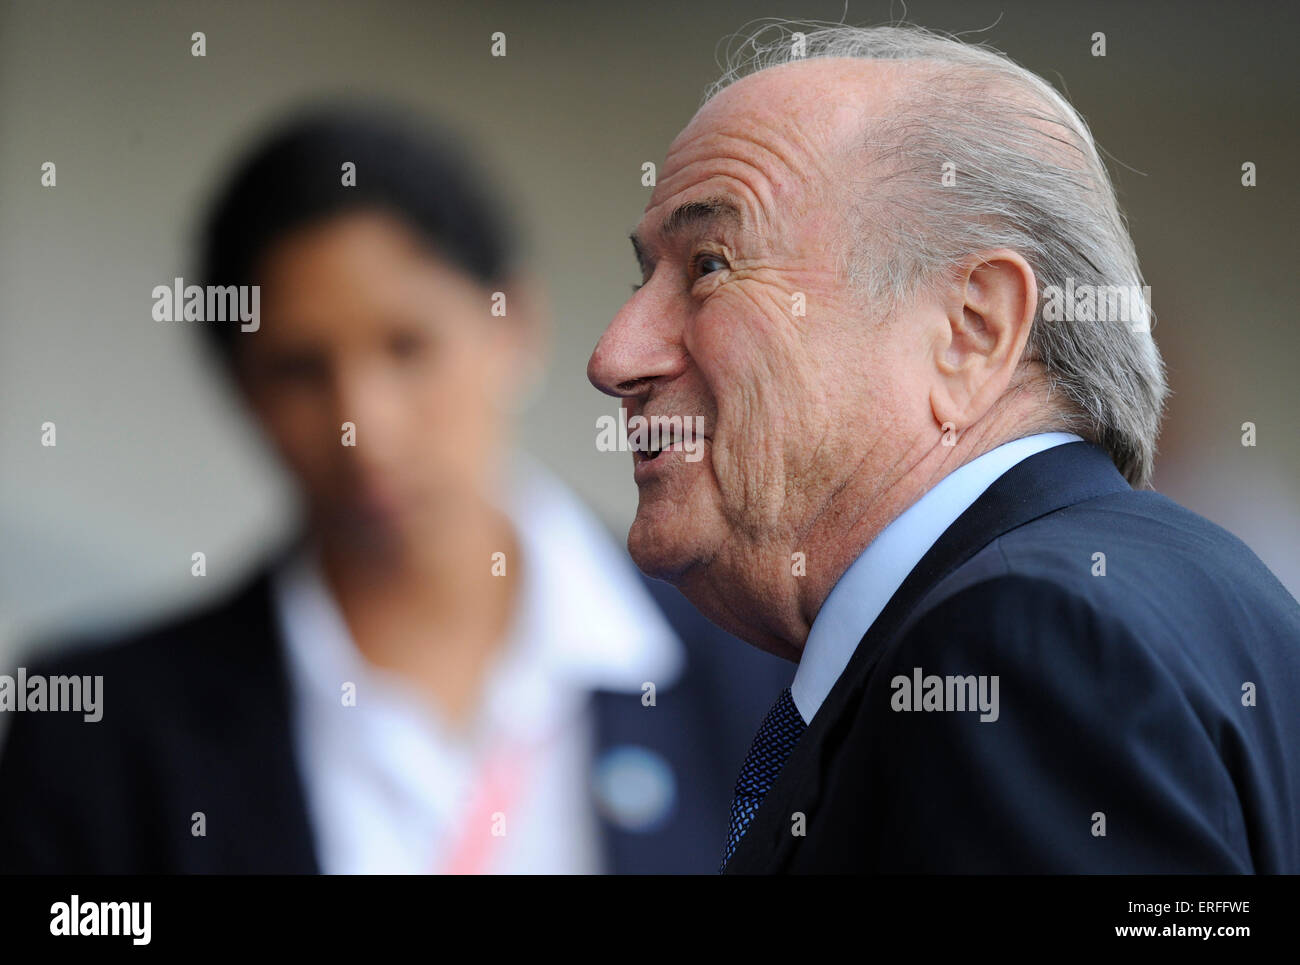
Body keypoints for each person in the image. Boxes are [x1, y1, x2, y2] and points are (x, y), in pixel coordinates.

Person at [0, 104, 791, 874]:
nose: (363, 428)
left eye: (408, 347)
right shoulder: (100, 730)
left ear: (512, 324)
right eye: (300, 369)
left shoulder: (763, 671)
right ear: (241, 389)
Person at [586, 24, 1300, 873]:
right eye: (646, 277)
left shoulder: (1019, 644)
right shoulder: (1196, 591)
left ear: (971, 330)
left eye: (710, 265)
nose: (616, 356)